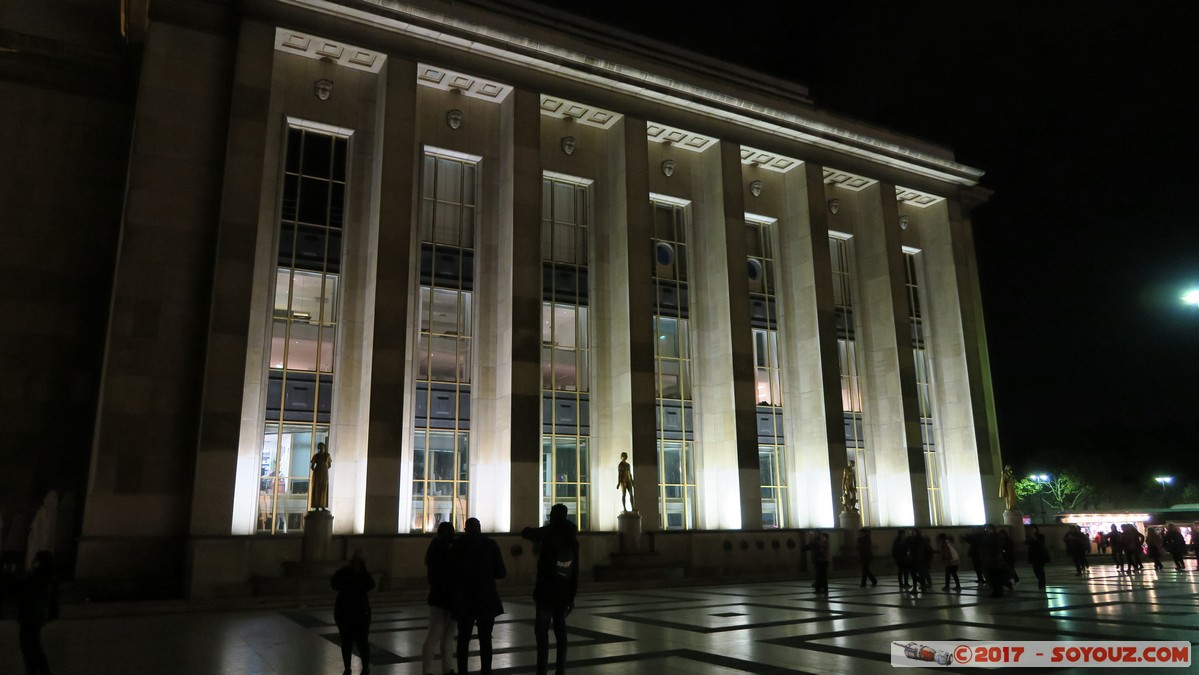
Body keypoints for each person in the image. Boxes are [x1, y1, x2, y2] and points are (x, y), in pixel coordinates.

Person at [521, 503, 580, 675]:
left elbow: (527, 533)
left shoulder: (548, 533)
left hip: (546, 591)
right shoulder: (572, 538)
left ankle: (542, 670)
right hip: (563, 592)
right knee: (561, 632)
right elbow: (575, 570)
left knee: (542, 632)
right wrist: (572, 596)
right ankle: (560, 669)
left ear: (554, 515)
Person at [454, 517, 506, 675]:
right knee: (485, 639)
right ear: (480, 528)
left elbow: (452, 572)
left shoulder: (458, 545)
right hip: (486, 598)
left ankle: (462, 671)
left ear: (465, 529)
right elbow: (501, 572)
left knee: (463, 639)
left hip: (465, 598)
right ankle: (486, 671)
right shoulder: (490, 544)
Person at [331, 550, 375, 675]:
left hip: (344, 611)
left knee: (346, 641)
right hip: (360, 612)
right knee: (362, 642)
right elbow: (371, 585)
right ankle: (365, 667)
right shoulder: (363, 575)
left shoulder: (343, 572)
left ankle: (347, 668)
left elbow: (334, 584)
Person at [421, 523, 456, 675]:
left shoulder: (435, 549)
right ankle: (432, 670)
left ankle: (443, 669)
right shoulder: (443, 550)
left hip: (441, 597)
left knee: (442, 635)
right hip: (444, 598)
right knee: (437, 635)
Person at [18, 550, 58, 675]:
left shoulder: (41, 577)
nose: (33, 561)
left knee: (31, 647)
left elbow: (27, 591)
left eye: (36, 560)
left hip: (32, 616)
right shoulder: (44, 576)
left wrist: (29, 573)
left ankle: (38, 672)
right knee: (32, 647)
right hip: (33, 616)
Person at [802, 530, 829, 595]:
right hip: (818, 560)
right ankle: (820, 588)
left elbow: (820, 548)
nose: (814, 534)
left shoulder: (821, 540)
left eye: (815, 533)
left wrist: (812, 540)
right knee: (820, 574)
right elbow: (809, 547)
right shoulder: (816, 540)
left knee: (821, 574)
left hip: (822, 560)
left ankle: (822, 588)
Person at [1025, 524, 1050, 590]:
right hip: (1033, 556)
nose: (1031, 530)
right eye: (1030, 529)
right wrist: (1029, 538)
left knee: (1040, 570)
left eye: (1032, 528)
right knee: (1035, 570)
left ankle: (1041, 583)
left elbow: (1041, 543)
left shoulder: (1041, 535)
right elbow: (1026, 543)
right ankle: (1041, 581)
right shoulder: (1028, 536)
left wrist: (1034, 537)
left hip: (1041, 555)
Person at [310, 441, 332, 510]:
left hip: (324, 474)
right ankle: (316, 506)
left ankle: (323, 506)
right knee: (317, 489)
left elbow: (329, 465)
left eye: (322, 447)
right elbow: (312, 466)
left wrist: (324, 469)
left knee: (324, 489)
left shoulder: (327, 455)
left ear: (324, 447)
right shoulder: (316, 456)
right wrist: (317, 471)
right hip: (317, 474)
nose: (321, 448)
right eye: (319, 447)